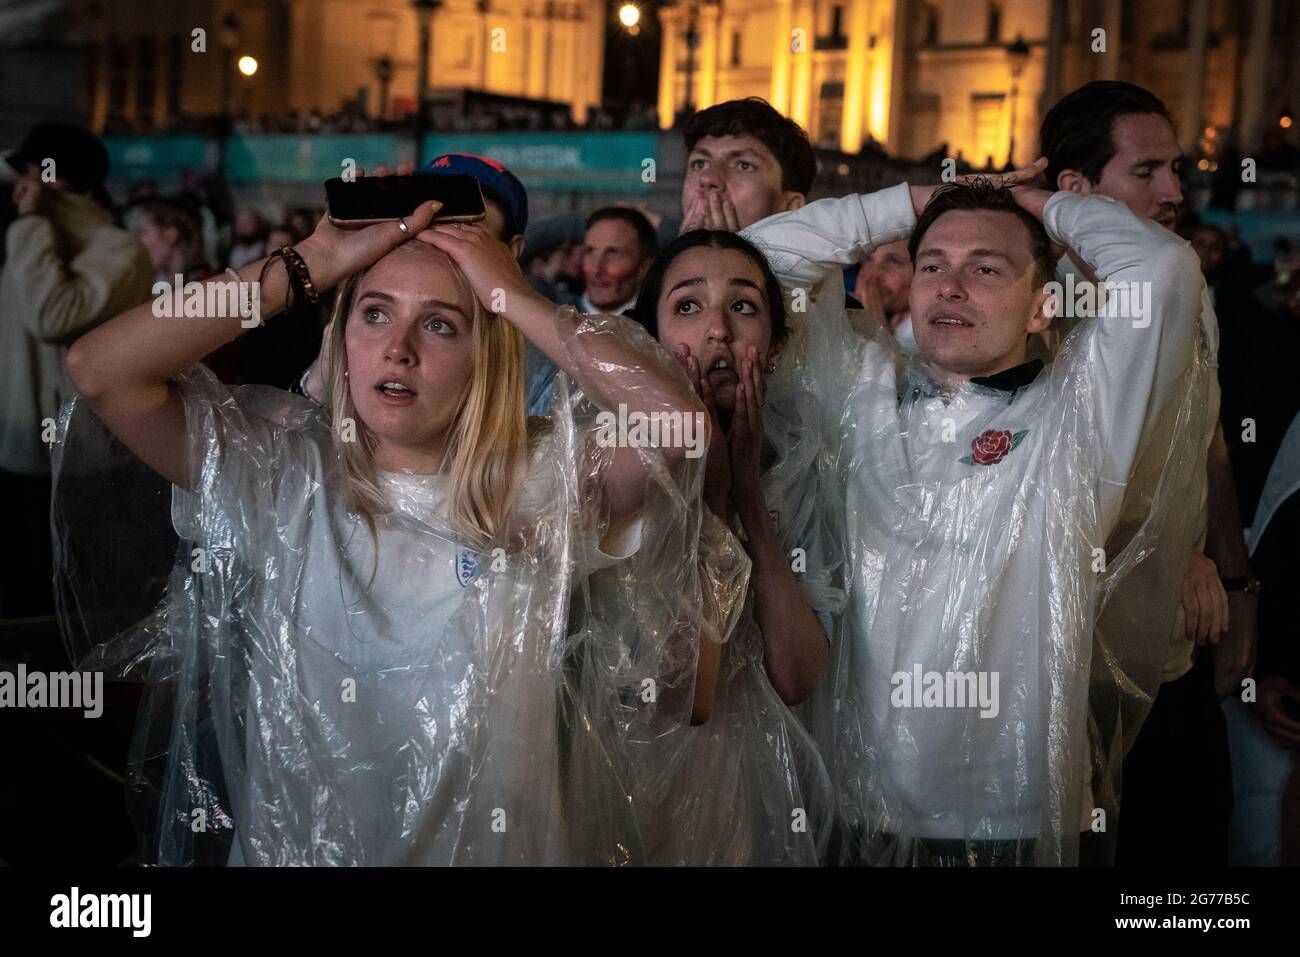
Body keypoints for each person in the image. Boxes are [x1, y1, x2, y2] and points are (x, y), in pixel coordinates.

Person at [58, 190, 741, 865]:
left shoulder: (540, 482)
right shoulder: (285, 478)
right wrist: (305, 264)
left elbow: (678, 426)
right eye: (375, 314)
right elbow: (102, 371)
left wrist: (511, 296)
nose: (398, 348)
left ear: (487, 354)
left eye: (441, 324)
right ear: (342, 336)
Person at [741, 171, 1205, 865]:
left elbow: (1163, 266)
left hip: (1010, 816)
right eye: (932, 265)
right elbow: (757, 261)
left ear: (1044, 306)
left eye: (986, 268)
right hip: (858, 807)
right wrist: (917, 201)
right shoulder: (857, 397)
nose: (949, 286)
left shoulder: (1079, 420)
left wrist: (1032, 201)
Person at [566, 230, 839, 865]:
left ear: (773, 348)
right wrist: (706, 496)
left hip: (746, 810)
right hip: (617, 795)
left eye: (743, 307)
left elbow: (798, 675)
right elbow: (679, 694)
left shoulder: (802, 471)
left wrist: (746, 498)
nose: (717, 331)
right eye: (687, 307)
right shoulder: (607, 462)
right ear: (649, 343)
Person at [1039, 80, 1245, 866]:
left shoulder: (1187, 288)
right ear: (1073, 192)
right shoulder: (1030, 303)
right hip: (1065, 664)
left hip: (1175, 647)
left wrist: (1234, 577)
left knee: (1189, 854)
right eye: (1147, 172)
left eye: (1179, 171)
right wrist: (1165, 550)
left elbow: (1207, 438)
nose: (1175, 192)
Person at [0, 122, 153, 618]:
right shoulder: (27, 242)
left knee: (60, 609)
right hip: (15, 452)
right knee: (18, 600)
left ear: (50, 181)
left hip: (74, 465)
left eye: (25, 173)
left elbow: (54, 315)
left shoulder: (119, 250)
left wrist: (30, 223)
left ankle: (62, 696)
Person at [525, 207, 658, 414]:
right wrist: (578, 221)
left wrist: (662, 224)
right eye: (590, 251)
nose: (597, 268)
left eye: (613, 253)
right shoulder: (552, 307)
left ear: (645, 266)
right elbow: (511, 254)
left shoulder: (656, 326)